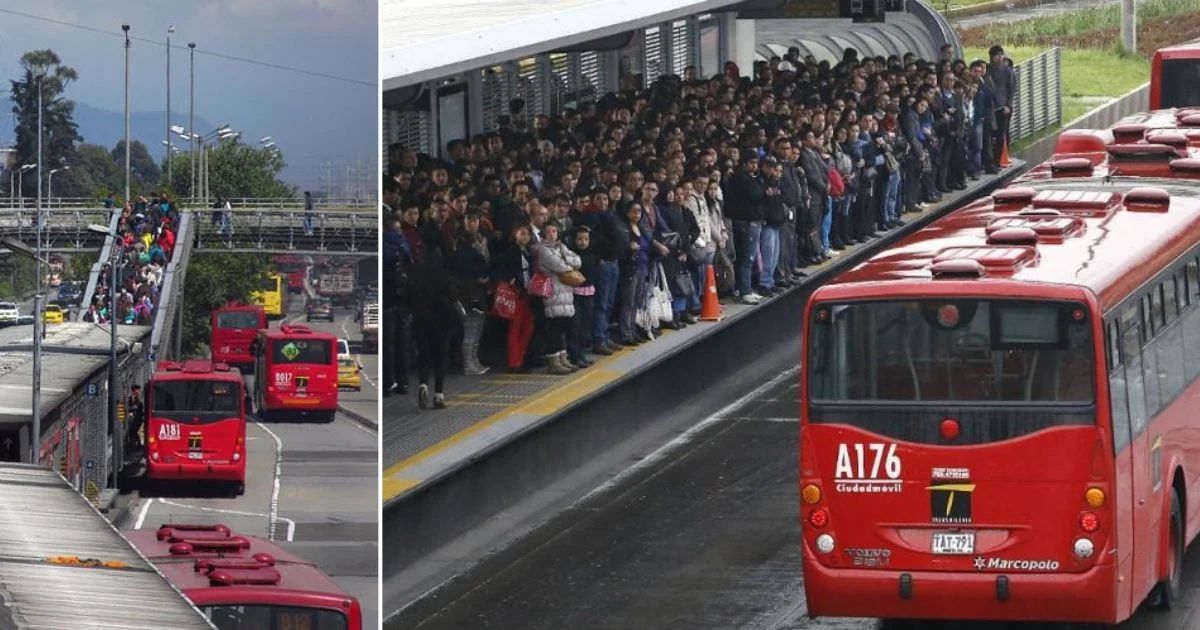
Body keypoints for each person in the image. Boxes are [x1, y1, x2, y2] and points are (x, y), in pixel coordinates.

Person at [408, 245, 460, 409]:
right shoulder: (445, 276)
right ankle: (438, 394)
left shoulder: (416, 276)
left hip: (421, 321)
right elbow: (454, 295)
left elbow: (408, 296)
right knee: (440, 357)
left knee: (424, 355)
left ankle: (423, 384)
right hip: (442, 322)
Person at [534, 222, 583, 374]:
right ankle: (553, 361)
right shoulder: (543, 249)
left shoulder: (561, 247)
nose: (551, 234)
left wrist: (568, 263)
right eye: (548, 231)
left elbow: (578, 260)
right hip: (553, 293)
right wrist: (570, 265)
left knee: (563, 326)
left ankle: (563, 358)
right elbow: (558, 265)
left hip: (566, 293)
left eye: (554, 231)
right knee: (553, 328)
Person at [988, 45, 1016, 165]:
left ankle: (1000, 159)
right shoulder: (988, 70)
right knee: (990, 134)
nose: (1000, 57)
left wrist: (1008, 105)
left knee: (1002, 133)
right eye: (997, 55)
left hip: (1003, 107)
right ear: (992, 57)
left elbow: (1012, 89)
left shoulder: (1007, 71)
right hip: (990, 107)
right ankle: (990, 159)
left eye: (1001, 55)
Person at [126, 384, 145, 448]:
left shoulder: (137, 398)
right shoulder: (131, 398)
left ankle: (137, 444)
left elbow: (139, 407)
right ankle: (135, 444)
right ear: (133, 390)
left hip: (138, 418)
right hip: (133, 418)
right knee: (133, 432)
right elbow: (130, 408)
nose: (138, 391)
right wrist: (132, 411)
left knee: (134, 431)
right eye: (137, 390)